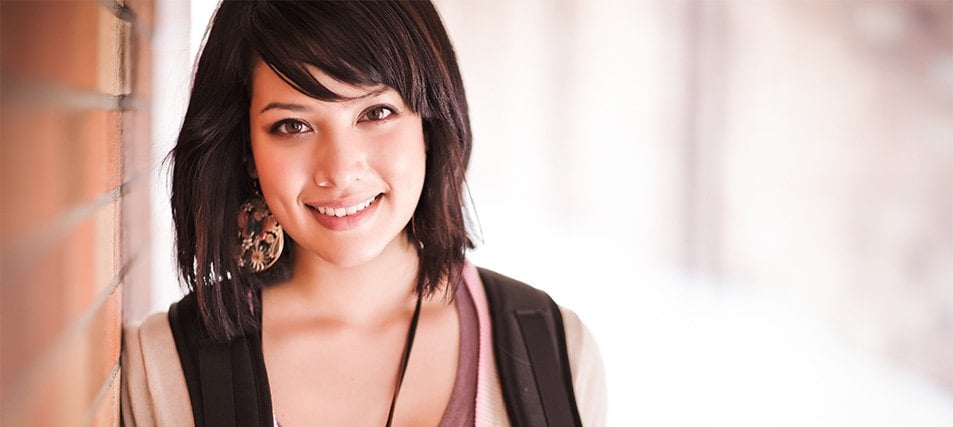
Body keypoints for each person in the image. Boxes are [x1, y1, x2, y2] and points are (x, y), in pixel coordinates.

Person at [121, 1, 605, 426]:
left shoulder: (555, 351)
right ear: (246, 150)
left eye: (375, 114)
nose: (339, 171)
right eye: (293, 125)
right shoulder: (160, 370)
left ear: (429, 125)